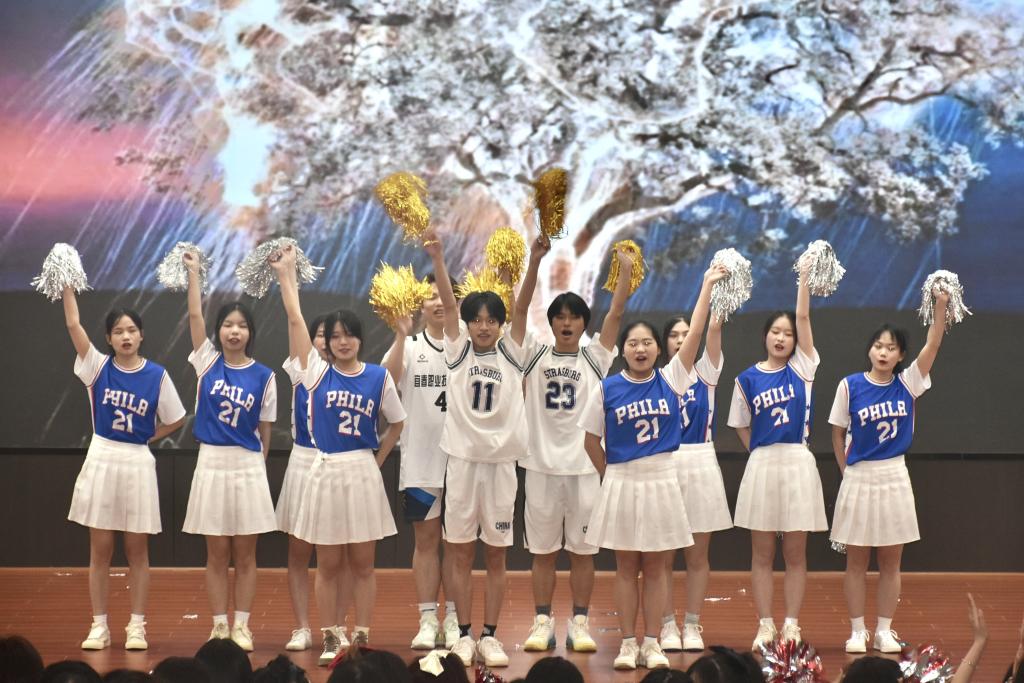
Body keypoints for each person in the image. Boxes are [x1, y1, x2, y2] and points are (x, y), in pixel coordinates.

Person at [579, 265, 728, 670]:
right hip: (622, 479)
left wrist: (705, 284)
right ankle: (628, 643)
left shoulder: (672, 379)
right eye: (633, 343)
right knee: (626, 568)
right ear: (623, 350)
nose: (640, 349)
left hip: (663, 479)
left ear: (658, 350)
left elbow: (695, 333)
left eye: (647, 342)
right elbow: (590, 441)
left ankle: (652, 642)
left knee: (658, 568)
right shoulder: (607, 387)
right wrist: (611, 475)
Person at [272, 245, 405, 664]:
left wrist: (376, 461)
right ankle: (331, 637)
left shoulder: (378, 377)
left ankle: (361, 637)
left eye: (349, 334)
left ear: (360, 339)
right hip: (326, 471)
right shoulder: (315, 373)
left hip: (361, 470)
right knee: (328, 563)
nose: (343, 341)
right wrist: (286, 275)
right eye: (335, 336)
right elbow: (296, 319)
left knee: (363, 563)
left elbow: (397, 423)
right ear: (326, 344)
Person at [510, 237, 633, 654]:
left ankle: (580, 622)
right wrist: (534, 261)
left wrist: (625, 271)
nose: (566, 323)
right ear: (551, 323)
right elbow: (519, 311)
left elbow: (616, 313)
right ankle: (542, 621)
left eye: (574, 317)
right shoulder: (533, 355)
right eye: (560, 317)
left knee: (583, 553)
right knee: (543, 553)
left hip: (584, 471)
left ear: (583, 323)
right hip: (541, 468)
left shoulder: (595, 357)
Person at [421, 228, 527, 668]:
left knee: (497, 554)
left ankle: (491, 636)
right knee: (460, 551)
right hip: (463, 464)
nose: (484, 326)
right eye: (477, 320)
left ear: (501, 324)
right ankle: (463, 634)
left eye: (491, 320)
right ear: (467, 324)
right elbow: (449, 304)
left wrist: (534, 261)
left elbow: (523, 304)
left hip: (501, 466)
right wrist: (438, 256)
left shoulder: (514, 353)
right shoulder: (458, 352)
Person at [61, 288, 186, 651]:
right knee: (100, 549)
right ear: (108, 338)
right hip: (103, 456)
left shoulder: (157, 375)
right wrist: (66, 284)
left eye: (131, 330)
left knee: (137, 550)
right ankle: (99, 625)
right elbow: (73, 324)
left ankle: (137, 626)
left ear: (141, 335)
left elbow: (176, 419)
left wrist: (148, 436)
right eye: (118, 331)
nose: (126, 336)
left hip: (136, 461)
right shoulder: (97, 367)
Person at [830, 290, 950, 654]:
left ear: (901, 355)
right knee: (856, 561)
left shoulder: (908, 383)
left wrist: (941, 306)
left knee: (890, 562)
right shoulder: (849, 385)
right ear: (870, 350)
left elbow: (933, 343)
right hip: (859, 476)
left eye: (891, 348)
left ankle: (884, 630)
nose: (883, 352)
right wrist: (846, 472)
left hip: (895, 475)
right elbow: (837, 433)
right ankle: (857, 631)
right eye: (878, 346)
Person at [727, 257, 826, 650]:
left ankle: (792, 624)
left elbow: (803, 316)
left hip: (797, 460)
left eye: (787, 333)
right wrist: (757, 453)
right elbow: (739, 424)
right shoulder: (747, 378)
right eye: (775, 332)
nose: (782, 338)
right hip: (763, 462)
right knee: (762, 552)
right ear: (765, 336)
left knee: (795, 552)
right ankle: (765, 624)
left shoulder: (803, 368)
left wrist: (803, 277)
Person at [181, 251, 278, 651]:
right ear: (218, 331)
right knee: (217, 553)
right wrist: (193, 274)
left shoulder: (265, 376)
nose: (234, 331)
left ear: (250, 332)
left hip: (248, 464)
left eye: (241, 326)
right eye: (227, 325)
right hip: (211, 461)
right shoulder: (207, 363)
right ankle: (219, 626)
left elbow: (266, 432)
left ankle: (242, 626)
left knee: (247, 554)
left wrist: (257, 465)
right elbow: (194, 316)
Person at [382, 274, 459, 650]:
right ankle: (428, 619)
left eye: (445, 295)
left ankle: (456, 618)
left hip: (463, 463)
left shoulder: (470, 345)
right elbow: (387, 381)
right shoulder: (411, 346)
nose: (438, 302)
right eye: (430, 297)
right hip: (421, 462)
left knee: (458, 544)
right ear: (420, 305)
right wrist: (400, 335)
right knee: (426, 541)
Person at [278, 314, 352, 653]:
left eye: (334, 335)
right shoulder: (301, 370)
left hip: (339, 465)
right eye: (320, 335)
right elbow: (294, 321)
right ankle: (301, 628)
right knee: (298, 552)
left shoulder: (351, 375)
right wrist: (288, 286)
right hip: (303, 462)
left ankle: (339, 626)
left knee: (339, 556)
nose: (326, 341)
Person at [659, 309, 732, 652]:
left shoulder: (706, 373)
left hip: (701, 462)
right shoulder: (657, 377)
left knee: (697, 556)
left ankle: (691, 623)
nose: (681, 340)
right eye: (674, 335)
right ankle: (666, 625)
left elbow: (713, 329)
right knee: (662, 557)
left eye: (686, 334)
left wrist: (718, 297)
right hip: (664, 464)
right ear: (664, 343)